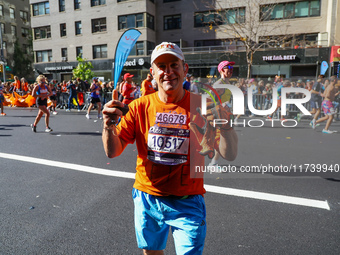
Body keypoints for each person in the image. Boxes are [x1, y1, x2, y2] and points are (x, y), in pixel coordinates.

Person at [102, 42, 238, 255]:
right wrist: (108, 125)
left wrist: (226, 126)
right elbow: (113, 151)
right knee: (152, 253)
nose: (168, 72)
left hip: (188, 201)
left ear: (185, 69)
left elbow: (229, 154)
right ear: (152, 73)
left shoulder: (203, 106)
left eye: (174, 64)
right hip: (148, 197)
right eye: (162, 66)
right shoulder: (139, 107)